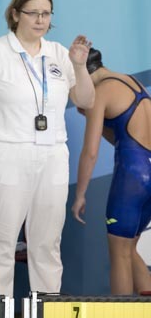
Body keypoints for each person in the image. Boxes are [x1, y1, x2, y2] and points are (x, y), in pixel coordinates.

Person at [0, 0, 95, 296]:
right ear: (16, 14)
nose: (40, 20)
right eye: (33, 13)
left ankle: (47, 310)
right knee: (0, 244)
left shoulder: (59, 53)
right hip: (7, 155)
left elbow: (86, 100)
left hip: (53, 155)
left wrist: (79, 65)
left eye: (46, 13)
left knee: (47, 244)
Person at [72, 48, 151, 295]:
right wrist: (92, 116)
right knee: (129, 249)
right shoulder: (132, 82)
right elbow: (123, 136)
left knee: (119, 255)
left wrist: (80, 195)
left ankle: (121, 312)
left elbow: (90, 152)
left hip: (132, 177)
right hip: (148, 172)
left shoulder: (100, 92)